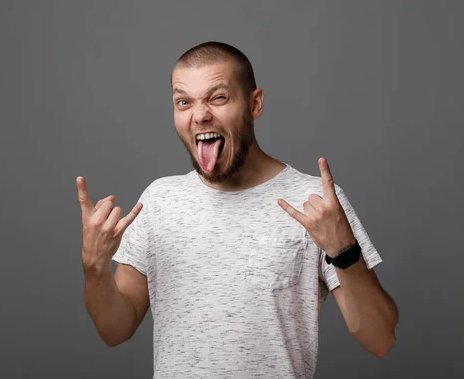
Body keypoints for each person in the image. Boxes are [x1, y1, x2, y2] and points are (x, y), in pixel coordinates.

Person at [77, 41, 398, 378]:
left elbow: (380, 340)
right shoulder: (159, 200)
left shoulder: (315, 202)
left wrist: (344, 251)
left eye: (218, 98)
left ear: (254, 104)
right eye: (183, 102)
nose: (199, 115)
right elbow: (115, 331)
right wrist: (94, 268)